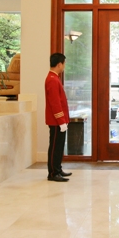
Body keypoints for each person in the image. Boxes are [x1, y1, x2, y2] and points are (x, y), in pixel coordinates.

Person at [45, 52, 71, 182]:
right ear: (59, 64)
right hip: (56, 121)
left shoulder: (54, 78)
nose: (64, 66)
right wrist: (61, 121)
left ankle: (57, 169)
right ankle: (53, 173)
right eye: (64, 64)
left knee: (59, 146)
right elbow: (55, 103)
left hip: (58, 120)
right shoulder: (52, 79)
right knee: (55, 146)